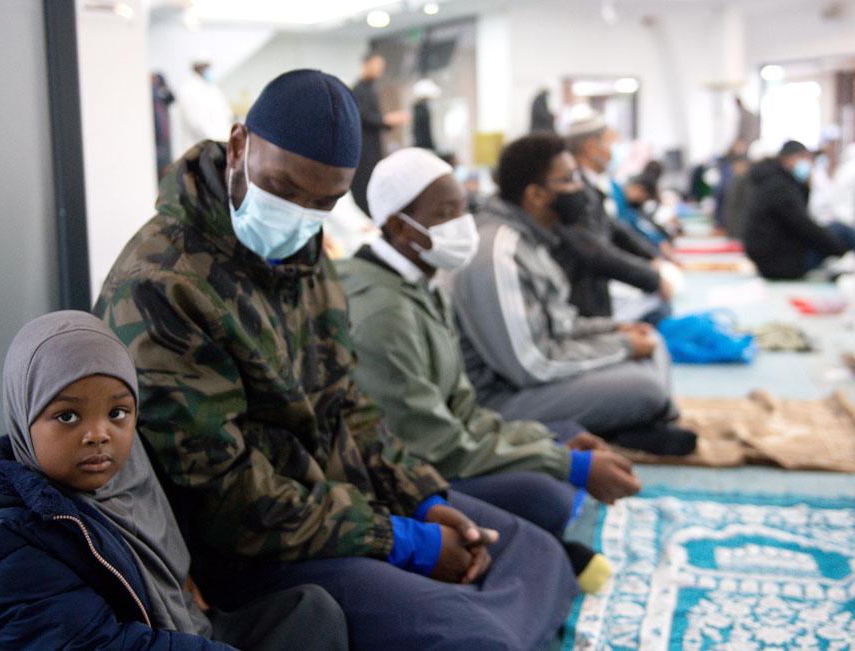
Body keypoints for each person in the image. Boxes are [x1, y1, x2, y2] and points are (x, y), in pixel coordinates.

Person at [94, 69, 579, 649]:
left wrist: (419, 496)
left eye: (322, 202)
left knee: (536, 551)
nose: (299, 213)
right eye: (285, 189)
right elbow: (225, 501)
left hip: (336, 508)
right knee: (474, 633)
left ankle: (473, 611)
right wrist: (398, 541)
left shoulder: (303, 254)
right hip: (253, 551)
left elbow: (349, 407)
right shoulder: (162, 285)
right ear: (240, 145)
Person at [0, 311, 348, 650]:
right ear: (23, 418)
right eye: (67, 415)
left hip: (179, 625)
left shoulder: (128, 470)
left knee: (311, 611)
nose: (98, 433)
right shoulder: (2, 543)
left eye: (118, 412)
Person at [338, 147, 640, 556]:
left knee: (563, 435)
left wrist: (548, 445)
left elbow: (464, 411)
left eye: (463, 210)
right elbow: (436, 446)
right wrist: (565, 464)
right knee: (546, 495)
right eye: (445, 214)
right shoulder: (382, 312)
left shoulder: (421, 284)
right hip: (407, 475)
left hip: (443, 445)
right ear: (399, 226)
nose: (462, 226)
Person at [447, 133, 697, 456]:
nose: (578, 189)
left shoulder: (532, 239)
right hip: (500, 399)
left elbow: (560, 324)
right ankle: (637, 420)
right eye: (566, 180)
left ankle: (635, 424)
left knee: (651, 341)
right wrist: (621, 347)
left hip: (533, 376)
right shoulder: (499, 251)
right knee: (644, 386)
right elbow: (530, 365)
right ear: (535, 195)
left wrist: (614, 331)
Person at [555, 114, 672, 320]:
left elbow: (613, 228)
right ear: (591, 147)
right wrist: (652, 279)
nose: (614, 152)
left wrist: (651, 255)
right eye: (610, 144)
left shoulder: (590, 184)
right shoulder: (573, 190)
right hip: (583, 303)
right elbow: (594, 250)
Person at [743, 140, 855, 279]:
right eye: (804, 158)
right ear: (790, 158)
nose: (809, 163)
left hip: (774, 258)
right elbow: (804, 225)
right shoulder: (779, 187)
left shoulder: (774, 181)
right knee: (840, 231)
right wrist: (840, 249)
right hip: (781, 263)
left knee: (834, 231)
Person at [350, 53, 409, 213]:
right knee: (365, 187)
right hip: (364, 153)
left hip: (373, 149)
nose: (379, 70)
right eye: (376, 65)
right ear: (366, 64)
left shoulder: (371, 90)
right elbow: (363, 117)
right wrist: (386, 120)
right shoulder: (358, 90)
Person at [175, 59, 234, 157]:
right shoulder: (188, 90)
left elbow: (226, 114)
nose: (208, 70)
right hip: (201, 148)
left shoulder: (213, 89)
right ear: (197, 68)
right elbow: (196, 123)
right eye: (205, 66)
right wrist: (215, 143)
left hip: (221, 145)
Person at [152, 72, 176, 179]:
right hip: (157, 142)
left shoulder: (161, 95)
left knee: (167, 168)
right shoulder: (151, 96)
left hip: (165, 141)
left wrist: (163, 84)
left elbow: (172, 98)